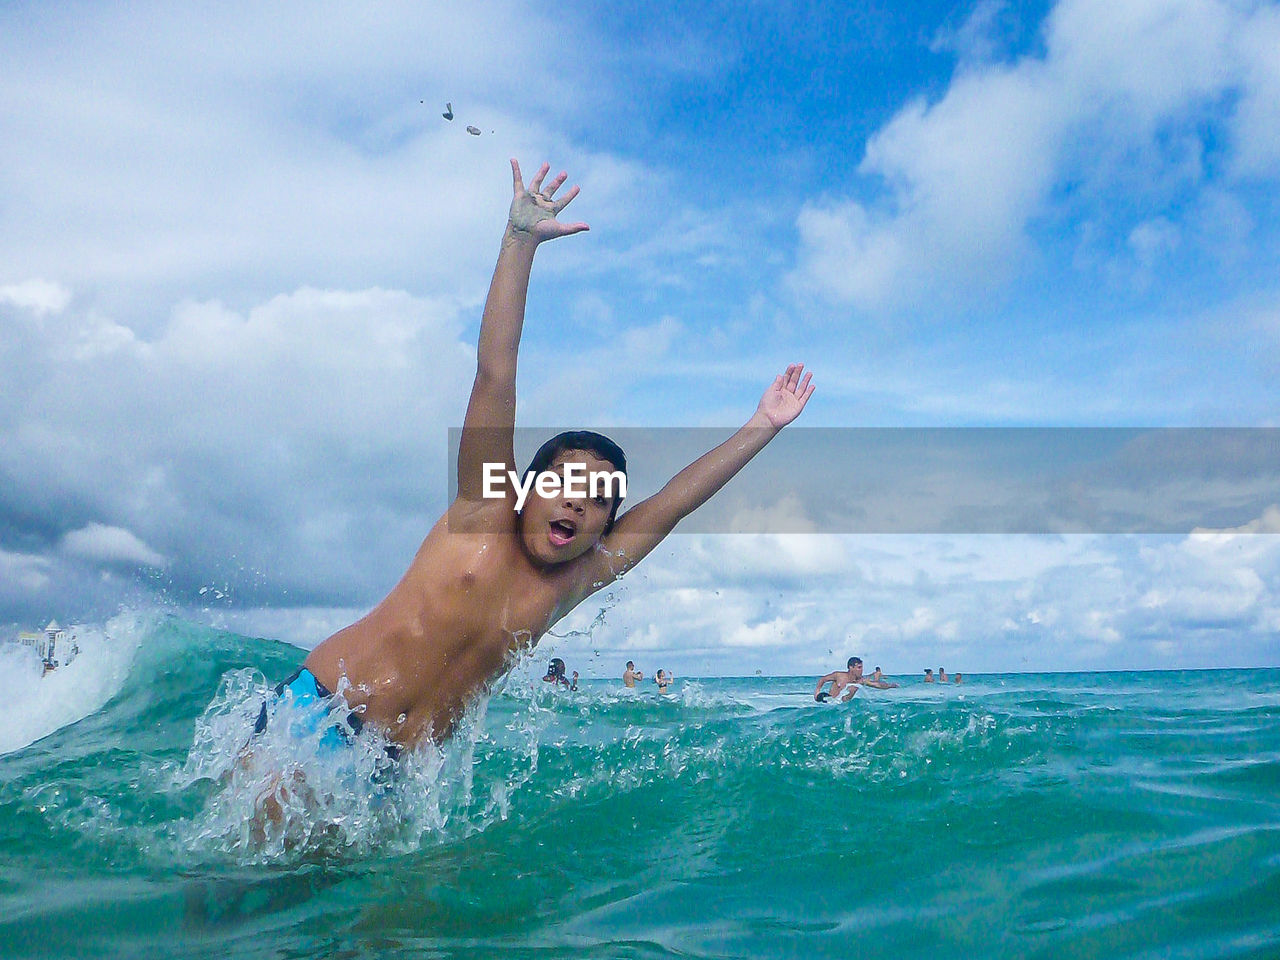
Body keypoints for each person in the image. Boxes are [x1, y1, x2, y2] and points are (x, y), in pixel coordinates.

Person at [263, 159, 815, 753]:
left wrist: (762, 425)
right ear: (523, 488)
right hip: (322, 714)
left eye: (600, 500)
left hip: (400, 771)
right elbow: (494, 374)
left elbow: (673, 505)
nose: (579, 502)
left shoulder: (577, 578)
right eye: (565, 484)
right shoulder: (482, 509)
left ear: (607, 523)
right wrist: (520, 242)